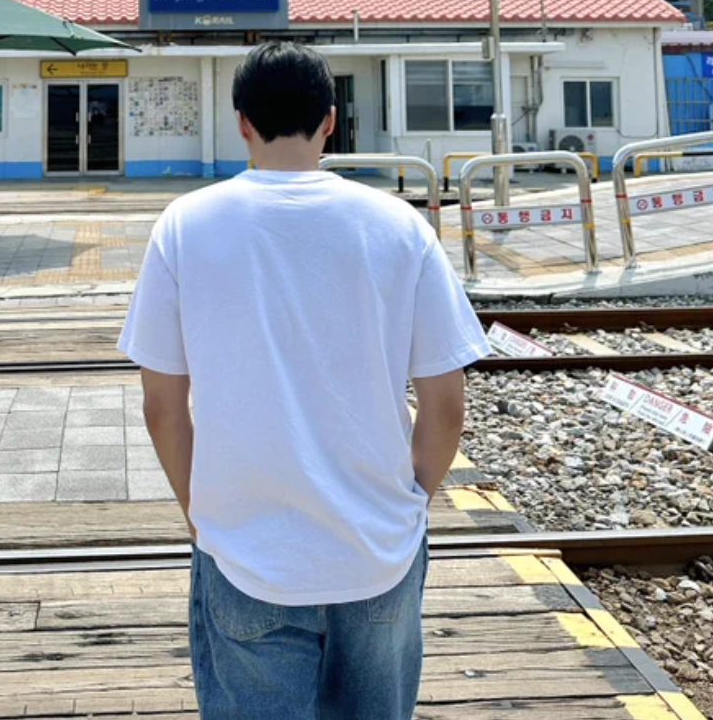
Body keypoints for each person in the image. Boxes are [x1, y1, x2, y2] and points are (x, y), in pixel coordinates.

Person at [118, 41, 490, 720]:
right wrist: (410, 502)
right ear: (330, 120)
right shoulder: (399, 227)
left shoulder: (185, 226)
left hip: (245, 551)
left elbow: (162, 408)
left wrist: (202, 517)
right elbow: (446, 403)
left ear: (241, 123)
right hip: (379, 547)